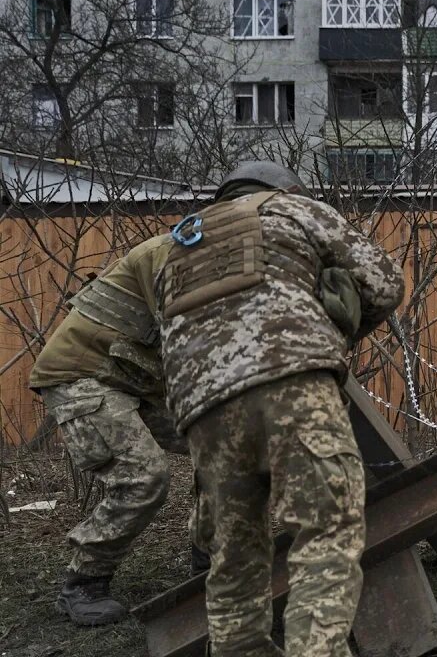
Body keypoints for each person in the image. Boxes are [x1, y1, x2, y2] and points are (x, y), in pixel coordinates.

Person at [159, 161, 404, 656]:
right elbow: (384, 283)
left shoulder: (180, 246)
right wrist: (337, 324)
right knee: (325, 532)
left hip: (202, 408)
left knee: (233, 556)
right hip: (291, 378)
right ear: (287, 189)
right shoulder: (293, 209)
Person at [29, 234, 186, 626]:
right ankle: (83, 584)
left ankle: (209, 553)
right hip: (82, 373)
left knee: (223, 443)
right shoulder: (177, 250)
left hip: (132, 376)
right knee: (143, 476)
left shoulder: (227, 252)